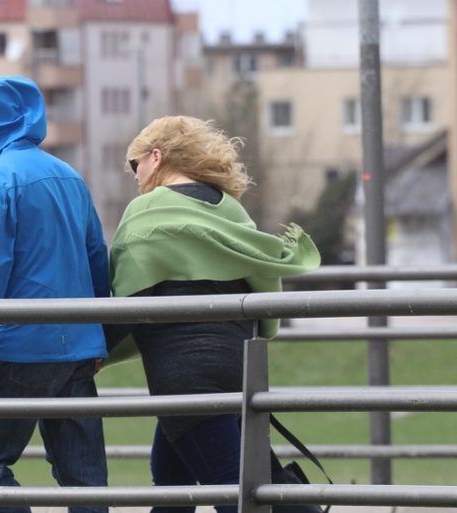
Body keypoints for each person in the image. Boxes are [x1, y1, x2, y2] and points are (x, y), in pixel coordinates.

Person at [107, 116, 322, 513]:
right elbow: (265, 300)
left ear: (156, 157)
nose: (134, 176)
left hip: (184, 378)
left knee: (237, 494)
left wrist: (92, 354)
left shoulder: (147, 211)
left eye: (134, 165)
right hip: (237, 366)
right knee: (172, 481)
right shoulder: (232, 210)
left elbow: (129, 303)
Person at [0, 75, 109, 513]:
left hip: (21, 349)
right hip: (78, 350)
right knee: (86, 480)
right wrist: (102, 337)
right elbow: (98, 257)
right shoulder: (70, 175)